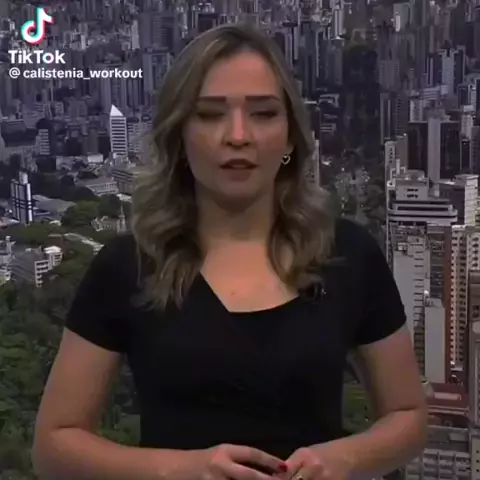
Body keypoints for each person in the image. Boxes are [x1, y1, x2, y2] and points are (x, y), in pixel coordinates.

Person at [32, 23, 427, 480]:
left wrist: (345, 458)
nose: (238, 135)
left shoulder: (348, 255)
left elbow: (408, 416)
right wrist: (182, 470)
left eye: (263, 113)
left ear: (290, 136)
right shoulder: (128, 267)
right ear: (179, 135)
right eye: (210, 114)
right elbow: (53, 448)